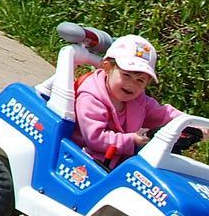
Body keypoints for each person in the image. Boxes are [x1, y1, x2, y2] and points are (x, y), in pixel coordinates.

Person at [72, 34, 188, 168]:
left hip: (119, 163)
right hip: (86, 161)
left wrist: (186, 121)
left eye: (140, 80)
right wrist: (132, 140)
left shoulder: (139, 100)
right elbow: (95, 138)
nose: (132, 84)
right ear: (107, 68)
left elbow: (163, 114)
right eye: (126, 75)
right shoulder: (91, 98)